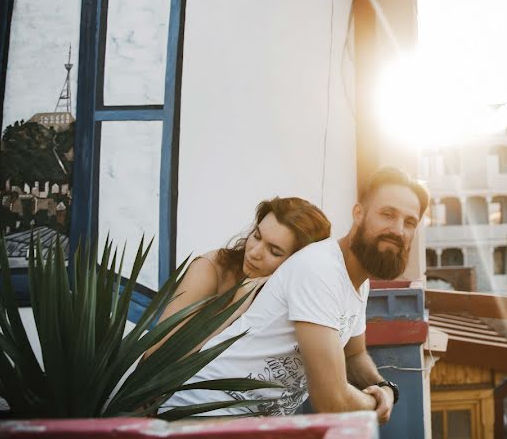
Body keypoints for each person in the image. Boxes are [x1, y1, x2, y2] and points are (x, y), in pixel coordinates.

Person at [161, 167, 429, 424]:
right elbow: (331, 401)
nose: (398, 229)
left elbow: (354, 355)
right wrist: (377, 403)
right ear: (358, 213)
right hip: (198, 415)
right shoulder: (320, 269)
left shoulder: (358, 281)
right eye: (387, 214)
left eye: (409, 222)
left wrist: (384, 387)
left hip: (247, 424)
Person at [144, 196, 331, 359]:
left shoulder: (298, 299)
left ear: (298, 263)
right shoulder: (211, 268)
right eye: (257, 236)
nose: (254, 253)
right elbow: (154, 357)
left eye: (274, 251)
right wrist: (234, 310)